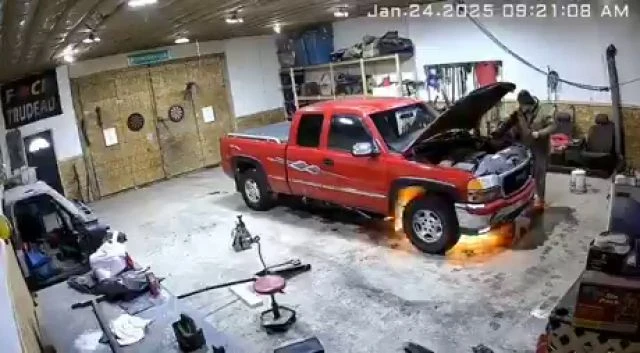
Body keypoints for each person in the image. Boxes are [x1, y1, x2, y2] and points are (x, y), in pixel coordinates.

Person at [493, 90, 556, 211]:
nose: (522, 108)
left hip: (540, 147)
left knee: (539, 174)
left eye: (523, 105)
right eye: (520, 105)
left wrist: (540, 133)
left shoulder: (543, 111)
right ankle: (528, 197)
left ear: (529, 103)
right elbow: (508, 122)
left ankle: (541, 200)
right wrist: (497, 132)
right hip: (526, 146)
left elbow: (553, 126)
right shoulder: (519, 112)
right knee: (526, 173)